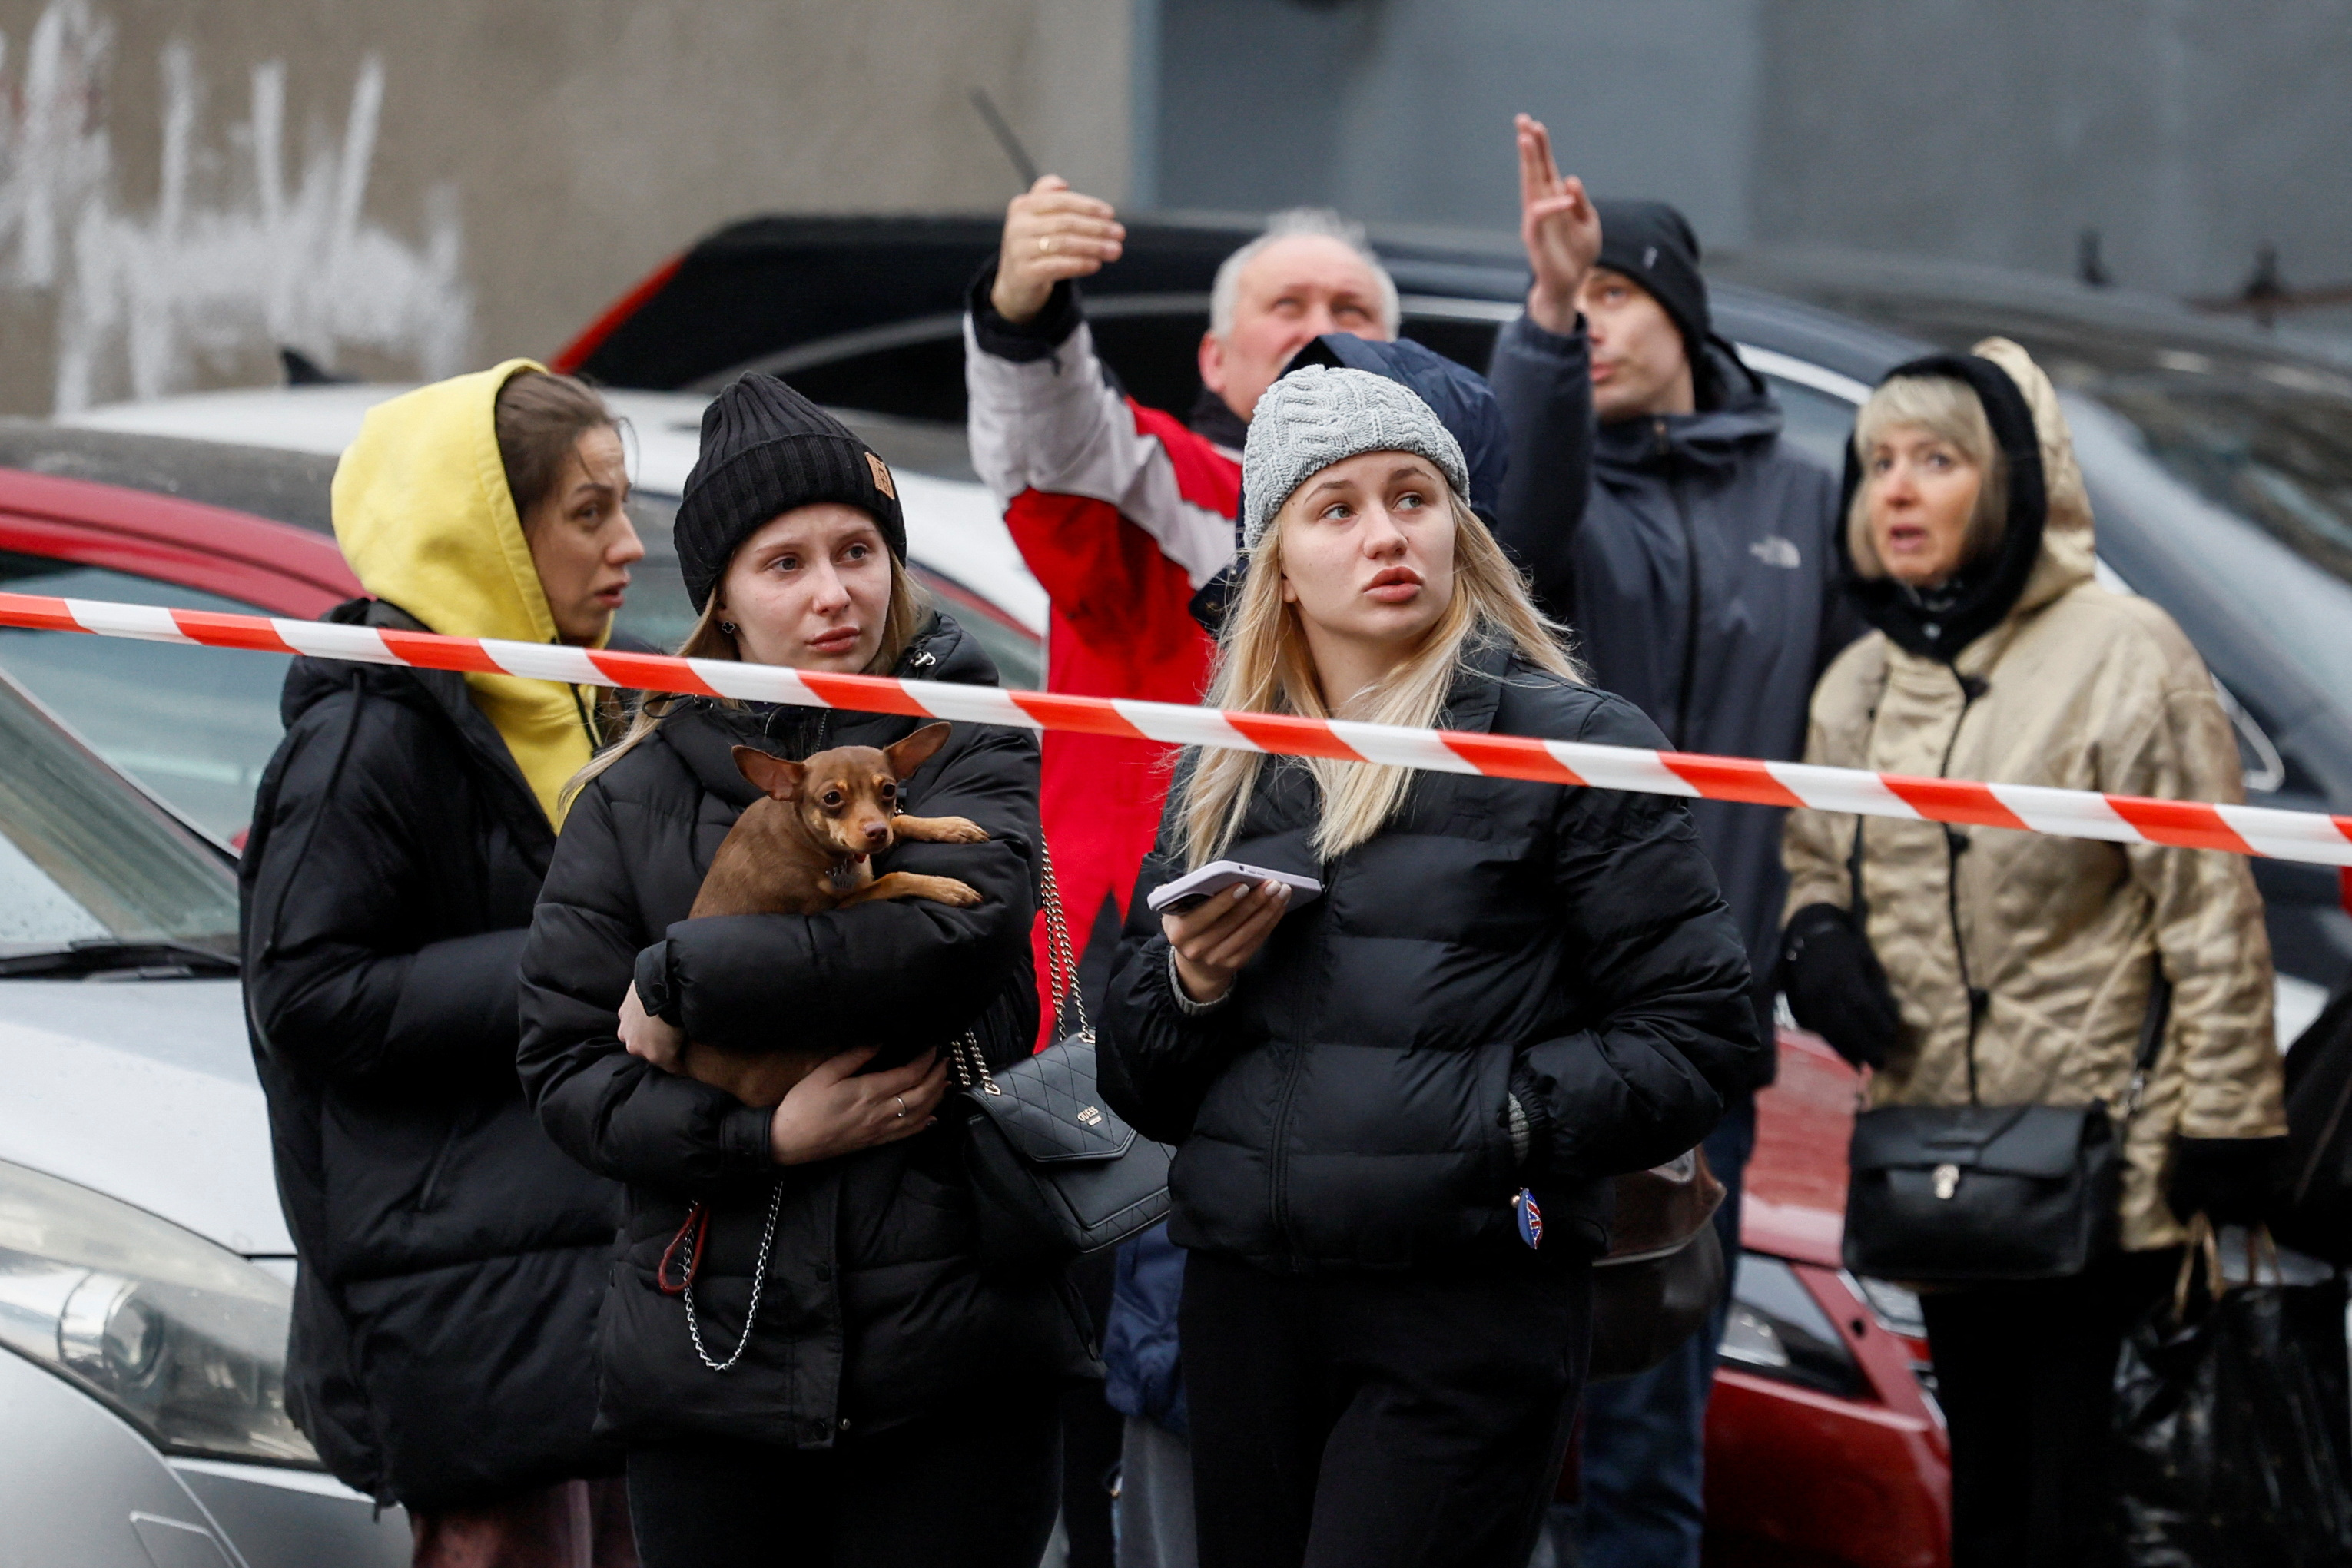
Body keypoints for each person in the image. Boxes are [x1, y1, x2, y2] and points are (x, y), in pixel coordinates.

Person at [1099, 366, 1763, 1568]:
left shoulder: (1576, 743)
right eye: (1335, 507)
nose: (1385, 534)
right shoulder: (1226, 766)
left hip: (1464, 1296)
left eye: (1412, 496)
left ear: (1460, 528)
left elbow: (1702, 1028)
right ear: (1276, 563)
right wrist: (1189, 983)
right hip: (1248, 1299)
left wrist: (1498, 1116)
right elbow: (1139, 1084)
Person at [516, 374, 1094, 1568]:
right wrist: (760, 1140)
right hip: (713, 1360)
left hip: (957, 1353)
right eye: (784, 564)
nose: (834, 591)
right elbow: (567, 1068)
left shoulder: (958, 735)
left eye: (857, 549)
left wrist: (680, 974)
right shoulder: (632, 794)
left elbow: (951, 942)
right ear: (720, 598)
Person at [1780, 338, 2287, 1568]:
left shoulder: (2127, 651)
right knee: (1991, 1507)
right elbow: (1812, 860)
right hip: (1939, 1169)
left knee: (2088, 1512)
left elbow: (2209, 911)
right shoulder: (1857, 677)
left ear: (2009, 481)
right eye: (1877, 461)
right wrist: (1814, 937)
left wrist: (2227, 1127)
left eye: (1935, 461)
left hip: (2109, 1172)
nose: (1894, 490)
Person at [966, 179, 1401, 1565]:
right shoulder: (1177, 492)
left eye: (1354, 312)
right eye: (1289, 307)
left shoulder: (1424, 539)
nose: (1320, 330)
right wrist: (1024, 312)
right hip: (1129, 1019)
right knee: (1101, 1422)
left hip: (1338, 1082)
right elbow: (1058, 439)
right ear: (1216, 363)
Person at [1482, 114, 1855, 1567]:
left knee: (1656, 1404)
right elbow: (1517, 514)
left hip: (1711, 1020)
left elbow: (1855, 724)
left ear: (1683, 315)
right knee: (1514, 1386)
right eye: (1585, 303)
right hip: (1544, 1001)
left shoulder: (1799, 494)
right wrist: (1546, 313)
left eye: (1620, 294)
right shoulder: (1567, 481)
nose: (1599, 321)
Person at [241, 363, 643, 1563]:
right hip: (453, 1281)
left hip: (572, 1254)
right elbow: (305, 993)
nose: (627, 547)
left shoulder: (559, 694)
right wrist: (568, 964)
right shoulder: (370, 728)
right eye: (587, 514)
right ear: (488, 537)